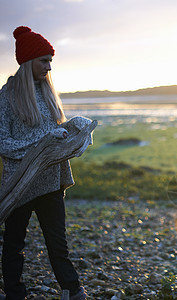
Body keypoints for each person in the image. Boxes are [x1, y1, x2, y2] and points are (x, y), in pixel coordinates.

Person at [0, 26, 88, 300]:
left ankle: (73, 291)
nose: (49, 67)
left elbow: (53, 135)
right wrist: (40, 145)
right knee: (14, 244)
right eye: (44, 60)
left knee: (58, 244)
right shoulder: (7, 96)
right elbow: (3, 143)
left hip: (50, 182)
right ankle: (15, 293)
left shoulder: (48, 93)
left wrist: (73, 132)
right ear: (28, 61)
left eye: (50, 61)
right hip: (20, 184)